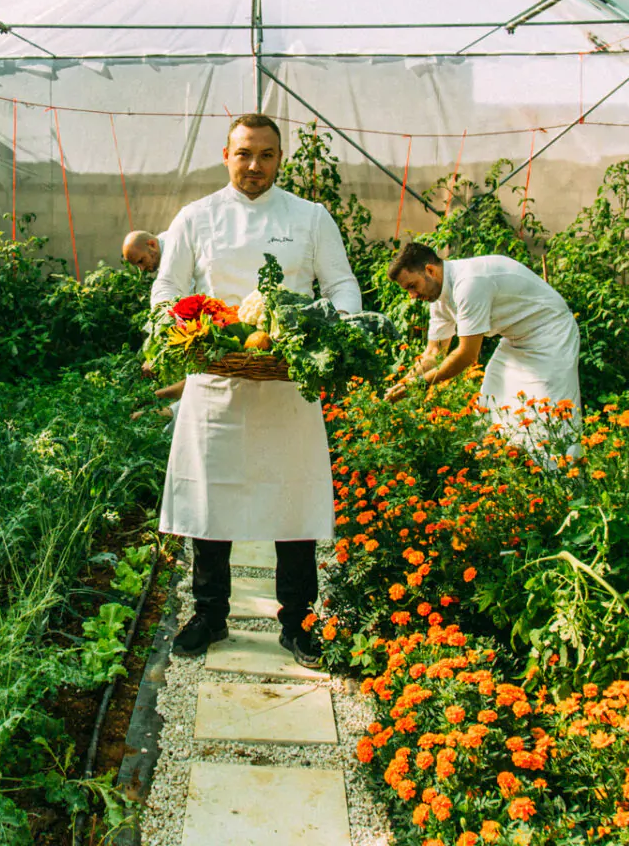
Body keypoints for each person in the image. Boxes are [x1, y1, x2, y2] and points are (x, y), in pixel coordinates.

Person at [152, 114, 359, 667]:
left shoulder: (310, 218)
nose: (254, 166)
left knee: (293, 499)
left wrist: (328, 335)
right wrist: (184, 333)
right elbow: (167, 288)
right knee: (210, 497)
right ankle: (209, 614)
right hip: (216, 383)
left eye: (266, 155)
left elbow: (341, 285)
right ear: (226, 155)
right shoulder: (197, 218)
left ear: (279, 159)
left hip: (287, 387)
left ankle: (299, 621)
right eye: (244, 154)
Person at [384, 244, 581, 453]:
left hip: (551, 334)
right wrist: (403, 383)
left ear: (430, 271)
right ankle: (506, 476)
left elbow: (467, 355)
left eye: (412, 286)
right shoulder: (438, 300)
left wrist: (421, 384)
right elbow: (434, 353)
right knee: (491, 409)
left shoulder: (469, 283)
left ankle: (567, 480)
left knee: (551, 419)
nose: (412, 295)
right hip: (515, 339)